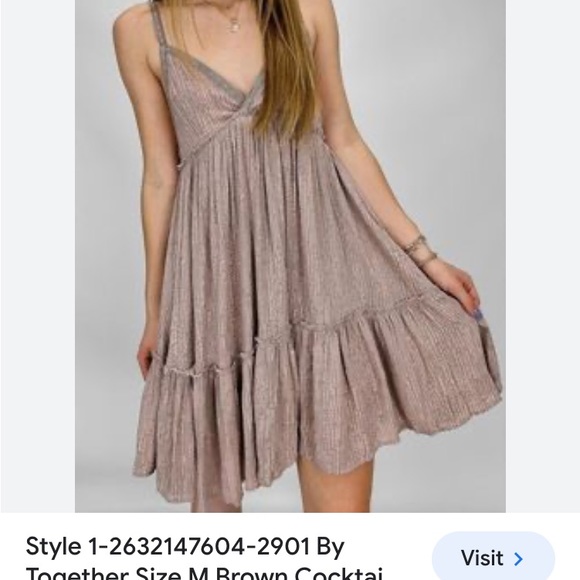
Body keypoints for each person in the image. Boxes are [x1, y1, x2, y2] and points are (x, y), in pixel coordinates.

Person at [112, 0, 503, 513]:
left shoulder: (305, 10)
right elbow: (160, 178)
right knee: (215, 518)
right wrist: (156, 311)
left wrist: (426, 258)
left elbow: (344, 139)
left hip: (322, 278)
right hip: (220, 283)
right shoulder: (141, 31)